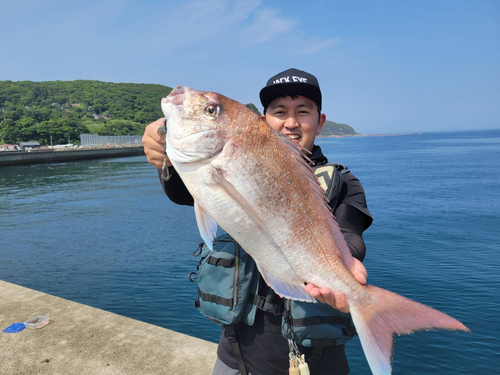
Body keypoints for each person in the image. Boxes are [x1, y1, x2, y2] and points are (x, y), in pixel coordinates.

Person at [142, 68, 372, 375]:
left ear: (320, 121)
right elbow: (182, 192)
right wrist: (164, 148)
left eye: (303, 111)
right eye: (279, 111)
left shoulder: (343, 182)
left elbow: (349, 231)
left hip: (318, 364)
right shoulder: (234, 161)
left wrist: (348, 265)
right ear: (263, 121)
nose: (291, 122)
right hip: (236, 355)